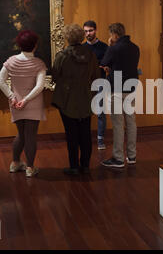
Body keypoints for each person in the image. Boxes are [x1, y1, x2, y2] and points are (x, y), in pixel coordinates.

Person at [0, 30, 47, 177]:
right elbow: (39, 86)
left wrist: (12, 97)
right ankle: (30, 168)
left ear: (19, 44)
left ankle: (15, 163)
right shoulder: (39, 64)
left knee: (21, 134)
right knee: (30, 135)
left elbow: (0, 80)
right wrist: (26, 100)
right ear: (35, 45)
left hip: (15, 102)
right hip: (32, 103)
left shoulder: (11, 61)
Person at [51, 24, 99, 175]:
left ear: (67, 37)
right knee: (85, 133)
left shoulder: (62, 56)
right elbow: (96, 77)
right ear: (81, 36)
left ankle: (74, 166)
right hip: (86, 97)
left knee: (71, 134)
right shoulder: (91, 55)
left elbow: (54, 76)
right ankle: (85, 165)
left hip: (67, 99)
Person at [100, 23, 140, 168]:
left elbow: (104, 62)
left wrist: (110, 46)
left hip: (116, 88)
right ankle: (132, 155)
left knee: (117, 123)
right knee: (131, 121)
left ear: (114, 34)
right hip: (131, 87)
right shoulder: (135, 47)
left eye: (111, 35)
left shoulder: (115, 48)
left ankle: (118, 158)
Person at [83, 20, 109, 150]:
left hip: (101, 83)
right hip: (86, 84)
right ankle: (85, 139)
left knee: (100, 112)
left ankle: (100, 140)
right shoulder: (81, 48)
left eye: (90, 30)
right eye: (86, 31)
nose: (88, 33)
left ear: (95, 30)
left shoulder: (104, 47)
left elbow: (107, 65)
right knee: (85, 113)